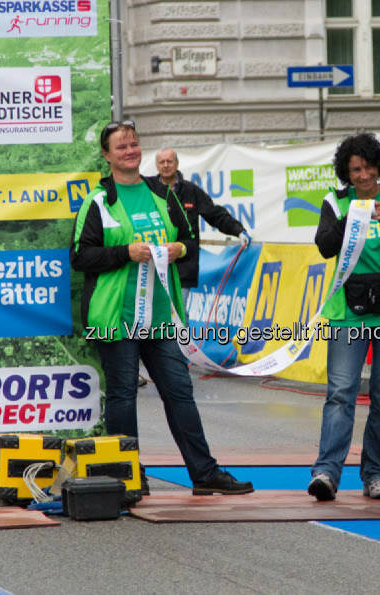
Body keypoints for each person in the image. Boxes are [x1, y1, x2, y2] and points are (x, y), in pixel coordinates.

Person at [71, 120, 253, 495]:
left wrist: (179, 250)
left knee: (180, 392)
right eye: (121, 147)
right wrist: (125, 252)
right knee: (122, 395)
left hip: (160, 316)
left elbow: (189, 238)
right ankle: (125, 475)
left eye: (134, 145)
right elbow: (80, 256)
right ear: (106, 156)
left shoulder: (161, 195)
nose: (130, 151)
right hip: (114, 318)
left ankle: (205, 474)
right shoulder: (98, 201)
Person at [307, 133, 380, 501]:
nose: (363, 176)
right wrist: (350, 217)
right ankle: (326, 473)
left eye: (369, 167)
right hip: (347, 313)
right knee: (341, 393)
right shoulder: (334, 201)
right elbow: (324, 246)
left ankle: (377, 476)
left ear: (379, 166)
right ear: (346, 172)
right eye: (355, 169)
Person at [152, 148, 250, 304]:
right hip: (152, 268)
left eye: (169, 161)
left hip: (183, 268)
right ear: (156, 166)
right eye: (161, 162)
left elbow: (215, 215)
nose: (165, 165)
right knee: (156, 318)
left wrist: (239, 231)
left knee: (179, 314)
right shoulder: (148, 190)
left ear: (177, 164)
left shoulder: (191, 191)